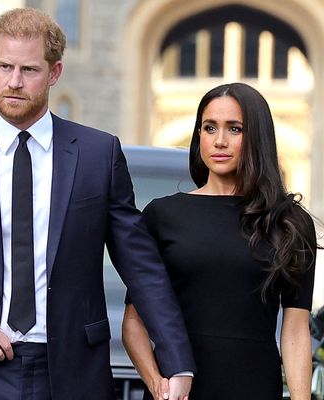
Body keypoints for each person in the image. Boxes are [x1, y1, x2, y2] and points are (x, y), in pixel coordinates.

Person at [0, 8, 194, 400]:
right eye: (5, 67)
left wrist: (177, 362)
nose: (14, 82)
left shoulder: (97, 154)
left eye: (29, 70)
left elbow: (141, 267)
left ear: (54, 73)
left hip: (69, 374)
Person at [122, 82, 317, 400]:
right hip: (179, 392)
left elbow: (295, 330)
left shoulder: (290, 223)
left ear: (256, 137)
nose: (220, 141)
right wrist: (159, 386)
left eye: (235, 129)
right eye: (209, 127)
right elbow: (134, 321)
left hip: (255, 389)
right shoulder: (162, 215)